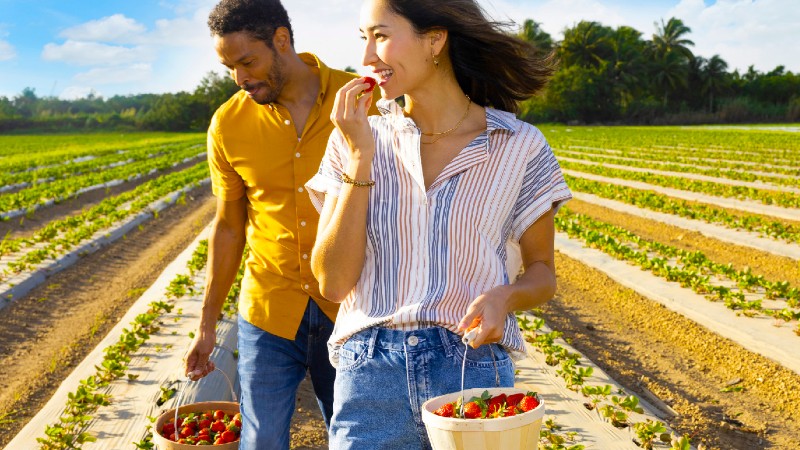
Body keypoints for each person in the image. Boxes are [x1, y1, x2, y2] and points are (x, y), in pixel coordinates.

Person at [305, 0, 573, 448]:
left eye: (382, 36)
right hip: (369, 378)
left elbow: (543, 273)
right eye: (363, 39)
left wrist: (505, 296)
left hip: (472, 370)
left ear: (435, 39)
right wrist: (360, 157)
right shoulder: (353, 142)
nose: (367, 57)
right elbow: (332, 282)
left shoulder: (519, 145)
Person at [183, 0, 375, 448]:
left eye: (247, 61)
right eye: (229, 67)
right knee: (261, 439)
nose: (240, 78)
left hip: (353, 307)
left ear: (282, 40)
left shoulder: (366, 99)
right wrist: (207, 324)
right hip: (269, 309)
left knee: (354, 437)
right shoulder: (228, 124)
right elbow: (228, 227)